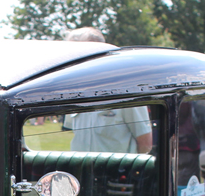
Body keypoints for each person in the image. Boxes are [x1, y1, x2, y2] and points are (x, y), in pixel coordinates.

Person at [63, 26, 152, 154]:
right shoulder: (73, 90)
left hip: (115, 173)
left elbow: (145, 143)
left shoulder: (125, 90)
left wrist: (127, 172)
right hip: (80, 172)